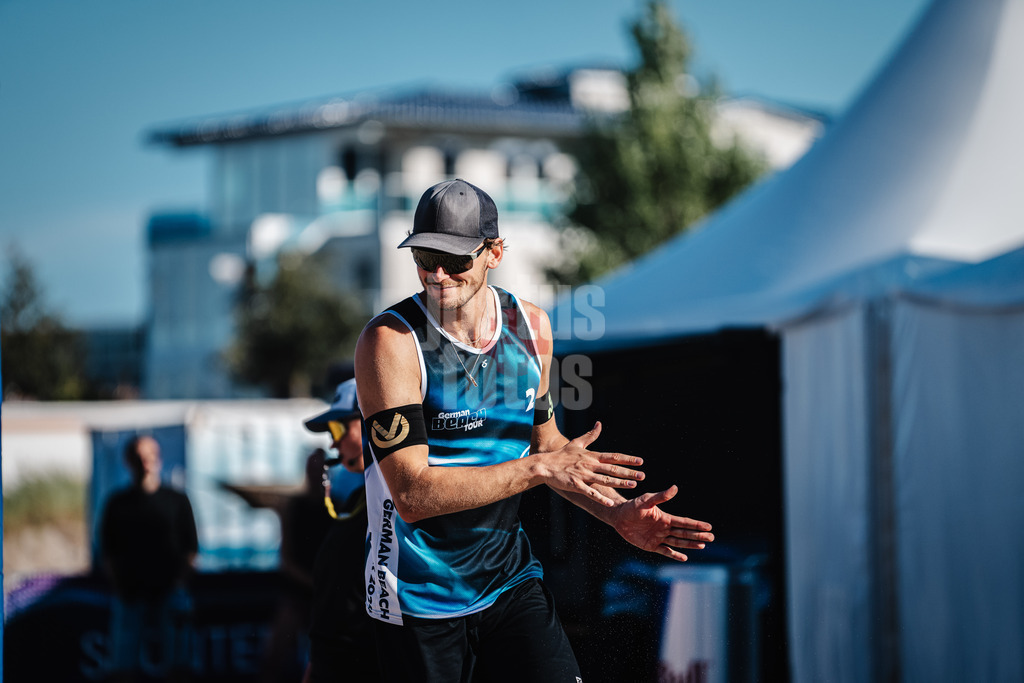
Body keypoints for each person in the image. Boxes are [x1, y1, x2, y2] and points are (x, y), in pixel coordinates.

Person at [353, 178, 715, 682]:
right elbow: (413, 495)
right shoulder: (389, 341)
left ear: (494, 252)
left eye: (455, 260)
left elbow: (550, 450)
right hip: (418, 598)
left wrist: (615, 515)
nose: (437, 275)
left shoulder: (532, 328)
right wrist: (539, 467)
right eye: (424, 257)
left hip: (509, 581)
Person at [100, 434, 199, 682]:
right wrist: (119, 586)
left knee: (178, 664)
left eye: (150, 456)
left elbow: (192, 548)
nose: (146, 463)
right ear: (129, 461)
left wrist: (178, 584)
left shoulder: (176, 500)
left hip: (170, 593)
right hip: (130, 595)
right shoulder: (117, 503)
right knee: (123, 665)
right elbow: (107, 550)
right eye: (139, 457)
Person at [301, 378, 380, 682]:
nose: (332, 444)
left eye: (337, 429)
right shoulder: (357, 500)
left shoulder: (398, 507)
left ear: (369, 420)